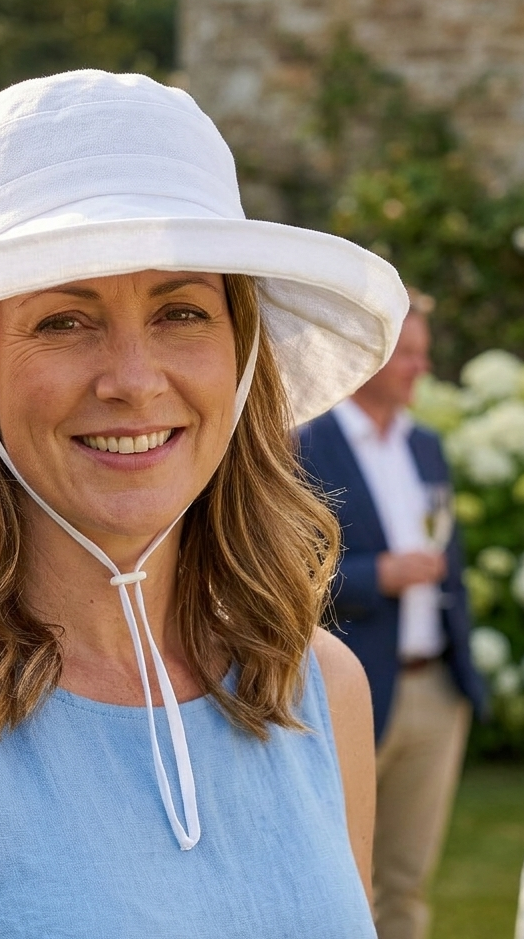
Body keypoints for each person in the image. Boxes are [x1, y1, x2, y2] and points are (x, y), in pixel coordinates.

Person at [0, 70, 409, 938]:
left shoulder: (315, 688)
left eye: (182, 312)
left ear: (241, 359)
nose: (132, 380)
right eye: (63, 321)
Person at [297, 300, 487, 939]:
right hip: (353, 686)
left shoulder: (425, 444)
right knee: (341, 880)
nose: (421, 367)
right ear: (371, 358)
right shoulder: (307, 443)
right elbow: (284, 574)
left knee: (408, 882)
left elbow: (447, 560)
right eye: (408, 354)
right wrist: (379, 576)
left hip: (436, 690)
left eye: (422, 353)